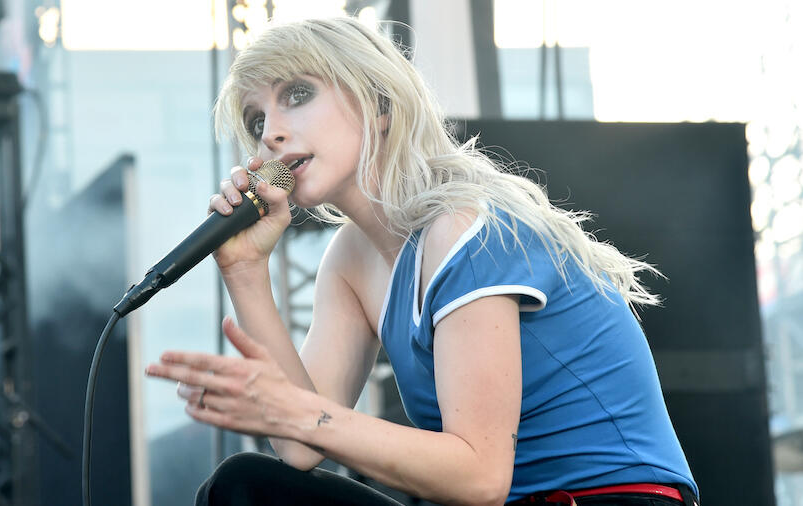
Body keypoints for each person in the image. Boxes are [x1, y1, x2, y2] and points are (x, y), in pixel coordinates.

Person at [144, 15, 700, 506]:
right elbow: (299, 447)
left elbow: (480, 477)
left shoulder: (465, 225)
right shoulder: (351, 259)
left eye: (297, 94)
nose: (271, 133)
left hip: (608, 501)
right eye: (256, 120)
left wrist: (292, 410)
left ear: (380, 104)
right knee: (247, 489)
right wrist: (245, 270)